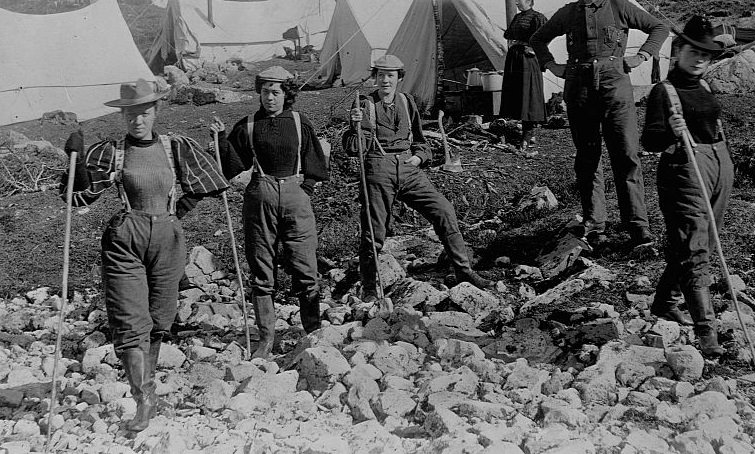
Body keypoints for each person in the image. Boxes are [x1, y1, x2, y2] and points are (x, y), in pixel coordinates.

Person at [62, 78, 228, 434]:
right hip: (126, 239)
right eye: (131, 114)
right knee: (129, 319)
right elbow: (78, 199)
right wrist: (73, 166)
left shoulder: (175, 147)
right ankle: (144, 398)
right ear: (123, 116)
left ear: (155, 111)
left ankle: (148, 381)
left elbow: (210, 183)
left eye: (144, 112)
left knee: (159, 317)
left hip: (168, 239)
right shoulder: (113, 152)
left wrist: (178, 211)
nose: (138, 120)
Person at [530, 0, 670, 253]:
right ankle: (595, 223)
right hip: (579, 89)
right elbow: (538, 39)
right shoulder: (568, 13)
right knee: (588, 157)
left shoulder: (620, 7)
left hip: (615, 88)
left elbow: (659, 28)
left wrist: (642, 55)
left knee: (627, 155)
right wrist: (551, 66)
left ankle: (637, 226)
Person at [343, 54, 490, 298]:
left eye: (390, 76)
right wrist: (355, 125)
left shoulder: (406, 101)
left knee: (443, 209)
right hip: (379, 168)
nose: (385, 81)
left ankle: (463, 271)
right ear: (375, 78)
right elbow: (353, 147)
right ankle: (370, 288)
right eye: (380, 75)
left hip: (409, 168)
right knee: (374, 230)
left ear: (399, 78)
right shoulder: (364, 104)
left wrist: (419, 158)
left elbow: (421, 141)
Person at [211, 66, 329, 360]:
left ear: (287, 94)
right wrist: (221, 138)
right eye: (265, 92)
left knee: (305, 263)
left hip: (295, 196)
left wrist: (306, 189)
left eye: (276, 92)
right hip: (259, 197)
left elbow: (314, 161)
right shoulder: (249, 124)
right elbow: (231, 165)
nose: (270, 98)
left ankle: (312, 331)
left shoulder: (300, 123)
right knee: (261, 268)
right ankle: (266, 340)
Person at [641, 15, 732, 358]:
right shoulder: (663, 92)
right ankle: (707, 333)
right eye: (694, 52)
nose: (699, 59)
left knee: (701, 243)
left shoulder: (705, 87)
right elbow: (649, 141)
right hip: (684, 170)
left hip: (719, 166)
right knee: (695, 249)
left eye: (706, 55)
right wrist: (669, 128)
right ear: (678, 50)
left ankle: (664, 302)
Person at [499, 0, 547, 150]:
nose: (517, 3)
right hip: (515, 59)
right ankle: (524, 131)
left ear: (529, 0)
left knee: (528, 94)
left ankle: (529, 132)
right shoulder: (518, 17)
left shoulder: (537, 17)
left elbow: (546, 36)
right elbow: (509, 34)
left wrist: (534, 49)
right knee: (516, 93)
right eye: (516, 0)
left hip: (528, 59)